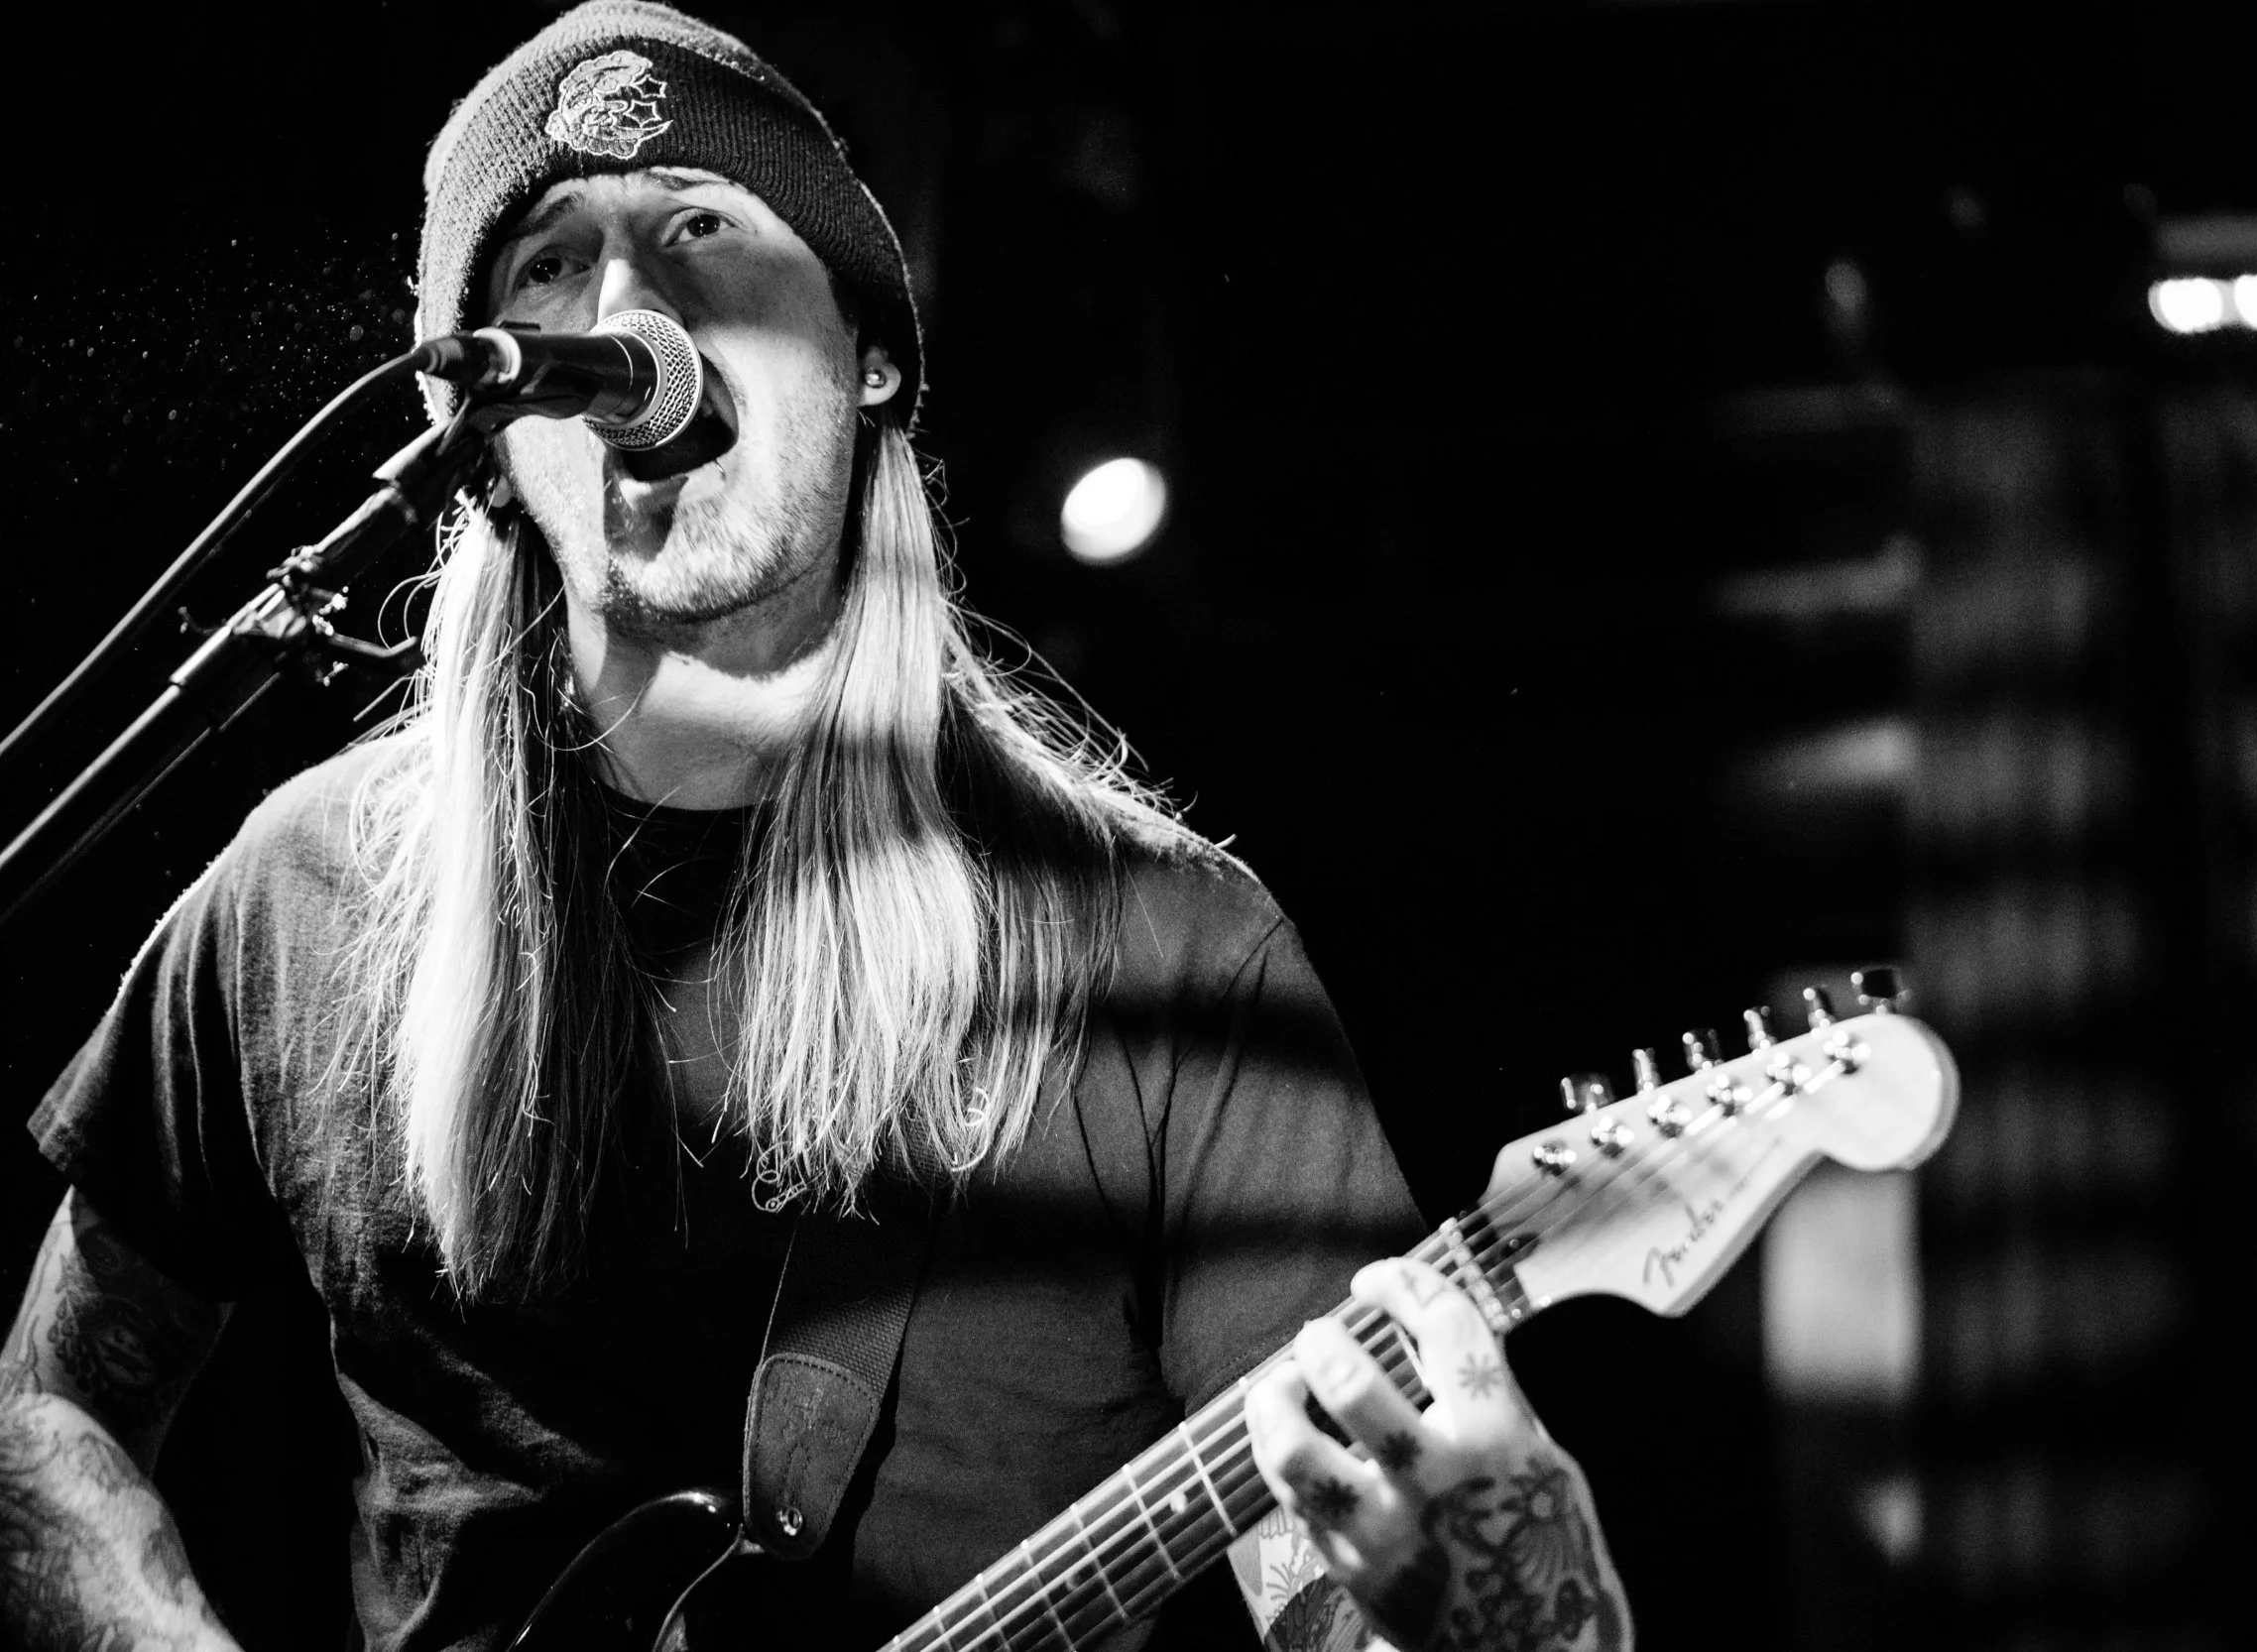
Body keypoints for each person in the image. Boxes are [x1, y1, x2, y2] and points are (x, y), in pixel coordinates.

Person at [0, 5, 1635, 1650]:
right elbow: (46, 1410)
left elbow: (1327, 1565)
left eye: (701, 227)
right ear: (491, 437)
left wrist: (1520, 1608)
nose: (625, 311)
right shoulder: (310, 898)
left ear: (868, 359)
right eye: (548, 265)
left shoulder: (1159, 953)